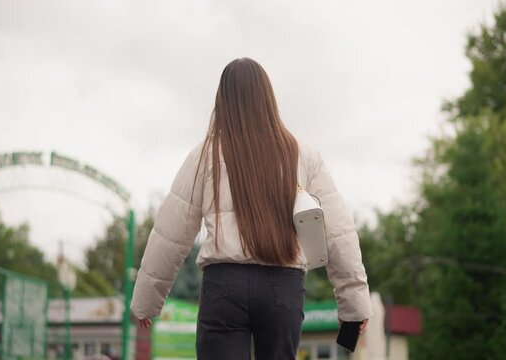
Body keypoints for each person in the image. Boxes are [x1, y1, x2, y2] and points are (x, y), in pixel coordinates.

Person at [130, 57, 373, 359]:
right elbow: (339, 232)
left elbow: (171, 233)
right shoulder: (302, 154)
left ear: (223, 101)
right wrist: (354, 305)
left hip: (224, 286)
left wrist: (145, 301)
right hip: (282, 288)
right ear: (267, 99)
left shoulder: (204, 155)